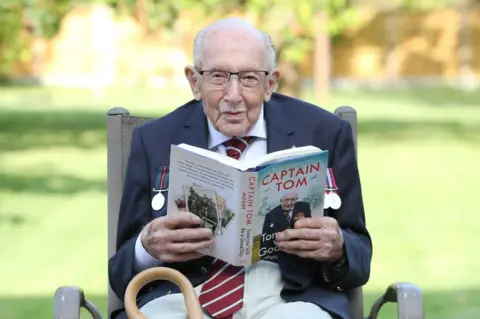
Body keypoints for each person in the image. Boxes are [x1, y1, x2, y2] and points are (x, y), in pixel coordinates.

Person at [108, 17, 372, 319]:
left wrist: (337, 246)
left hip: (289, 298)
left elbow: (360, 258)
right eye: (218, 76)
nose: (233, 96)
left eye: (248, 78)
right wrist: (147, 245)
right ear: (195, 81)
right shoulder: (154, 140)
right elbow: (119, 273)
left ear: (270, 83)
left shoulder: (325, 132)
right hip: (182, 295)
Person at [259, 191, 312, 262]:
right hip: (281, 257)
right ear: (281, 201)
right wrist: (265, 257)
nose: (289, 203)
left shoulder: (304, 206)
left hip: (302, 255)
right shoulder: (271, 215)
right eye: (286, 200)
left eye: (293, 199)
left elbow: (310, 224)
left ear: (296, 199)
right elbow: (265, 238)